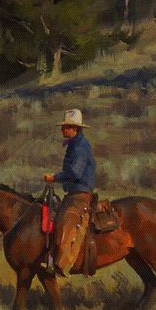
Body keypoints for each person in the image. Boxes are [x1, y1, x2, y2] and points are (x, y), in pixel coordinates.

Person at [43, 108, 96, 276]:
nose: (62, 130)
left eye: (66, 127)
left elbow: (75, 173)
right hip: (74, 193)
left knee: (66, 221)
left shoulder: (80, 146)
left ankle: (62, 264)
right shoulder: (74, 144)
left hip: (80, 194)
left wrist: (54, 178)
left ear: (75, 129)